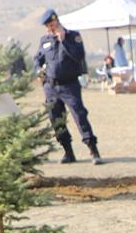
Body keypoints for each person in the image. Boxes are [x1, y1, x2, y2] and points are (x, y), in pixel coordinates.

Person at [34, 9, 104, 165]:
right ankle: (68, 152)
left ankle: (93, 150)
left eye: (51, 24)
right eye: (47, 25)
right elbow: (37, 60)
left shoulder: (73, 36)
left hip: (70, 85)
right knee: (56, 120)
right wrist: (39, 72)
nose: (49, 28)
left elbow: (78, 56)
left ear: (56, 21)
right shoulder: (44, 40)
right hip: (51, 87)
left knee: (80, 116)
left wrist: (63, 40)